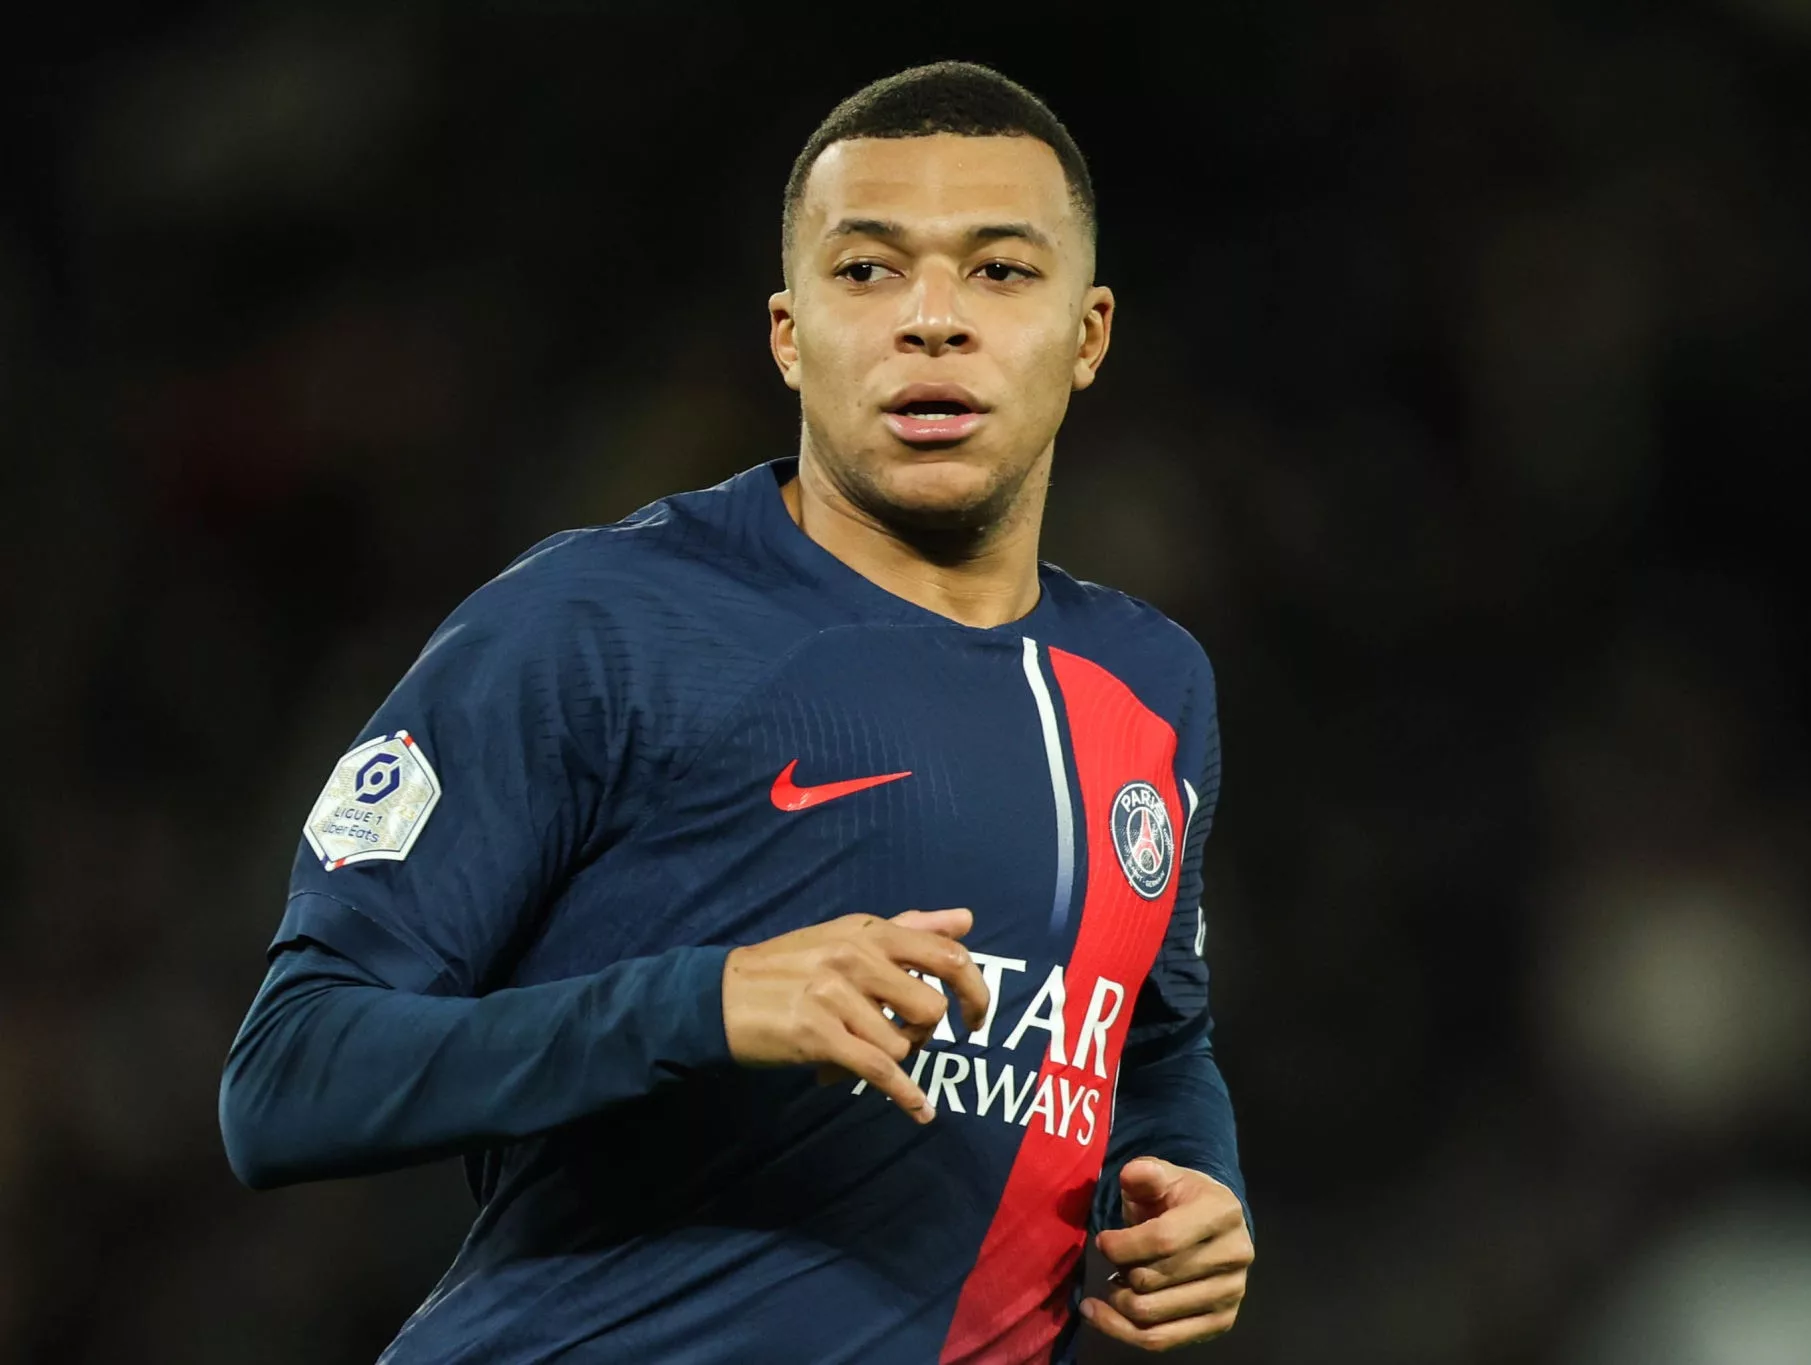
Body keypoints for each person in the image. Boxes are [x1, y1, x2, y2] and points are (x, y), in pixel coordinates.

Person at [219, 60, 1252, 1363]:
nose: (933, 320)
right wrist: (706, 1006)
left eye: (1000, 270)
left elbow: (1152, 1045)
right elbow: (288, 1081)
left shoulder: (1154, 692)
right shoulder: (593, 626)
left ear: (1089, 332)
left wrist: (1195, 1182)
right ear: (788, 332)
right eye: (868, 270)